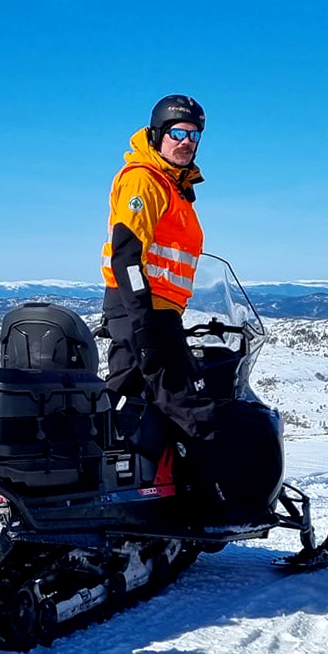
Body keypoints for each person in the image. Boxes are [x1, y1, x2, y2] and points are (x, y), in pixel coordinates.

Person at [97, 94, 217, 448]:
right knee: (192, 409)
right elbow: (126, 257)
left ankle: (124, 490)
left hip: (153, 311)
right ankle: (221, 501)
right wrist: (145, 325)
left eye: (194, 136)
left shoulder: (173, 187)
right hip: (144, 309)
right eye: (177, 133)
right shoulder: (144, 180)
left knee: (124, 402)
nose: (185, 143)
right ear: (157, 134)